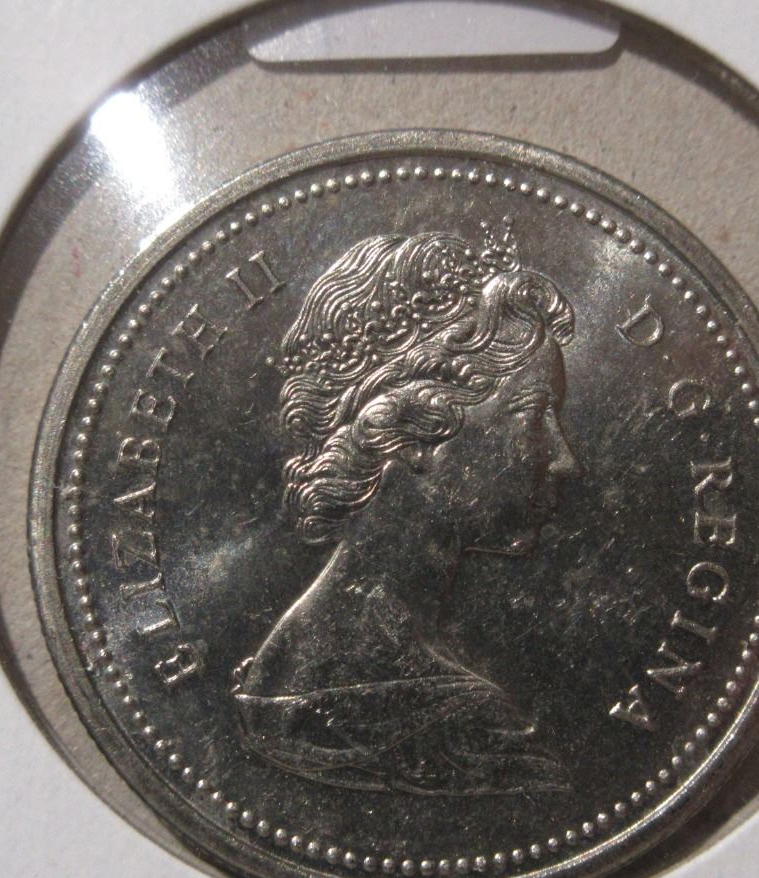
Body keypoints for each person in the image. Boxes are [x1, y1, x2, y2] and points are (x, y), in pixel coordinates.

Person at [233, 228, 579, 795]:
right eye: (534, 415)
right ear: (412, 430)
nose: (564, 461)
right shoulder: (471, 733)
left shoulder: (284, 666)